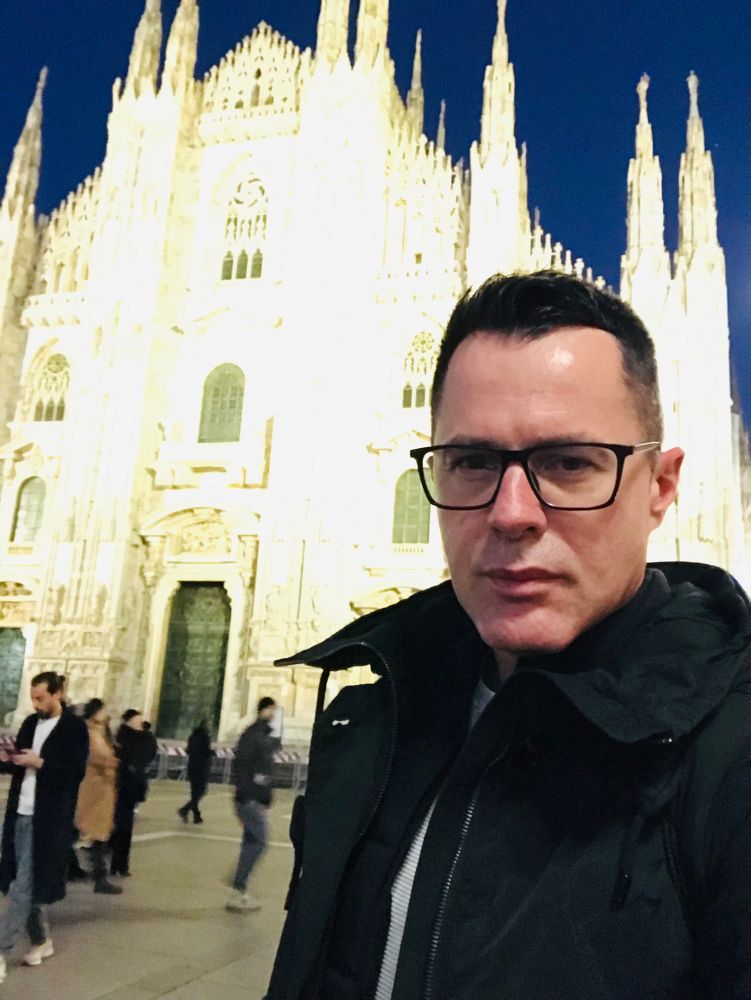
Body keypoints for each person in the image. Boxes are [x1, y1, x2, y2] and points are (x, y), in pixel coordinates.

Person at [265, 271, 751, 1000]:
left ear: (660, 487)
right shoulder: (371, 725)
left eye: (569, 463)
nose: (511, 514)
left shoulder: (730, 762)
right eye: (472, 463)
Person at [0, 671, 88, 983]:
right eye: (32, 698)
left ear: (57, 694)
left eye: (40, 698)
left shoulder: (74, 729)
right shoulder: (29, 724)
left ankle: (1, 951)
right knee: (24, 882)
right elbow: (19, 762)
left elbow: (75, 772)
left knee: (23, 884)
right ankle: (40, 940)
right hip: (20, 813)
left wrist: (41, 764)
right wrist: (8, 759)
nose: (35, 704)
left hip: (48, 819)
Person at [226, 697, 280, 912]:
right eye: (272, 710)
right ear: (264, 710)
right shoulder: (253, 735)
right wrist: (247, 794)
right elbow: (242, 765)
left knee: (251, 842)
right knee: (259, 841)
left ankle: (237, 891)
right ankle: (237, 883)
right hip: (250, 799)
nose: (274, 714)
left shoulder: (261, 735)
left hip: (254, 797)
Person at [75, 699, 122, 895]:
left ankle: (99, 876)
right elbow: (98, 756)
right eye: (104, 710)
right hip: (94, 791)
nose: (107, 713)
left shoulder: (101, 731)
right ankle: (99, 878)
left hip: (101, 790)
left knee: (96, 836)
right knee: (92, 833)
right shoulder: (90, 732)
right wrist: (113, 761)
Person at [109, 709, 158, 877]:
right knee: (119, 825)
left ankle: (120, 864)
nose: (140, 721)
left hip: (130, 787)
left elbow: (147, 755)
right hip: (121, 785)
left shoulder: (143, 738)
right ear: (129, 721)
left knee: (124, 826)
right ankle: (116, 863)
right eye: (137, 719)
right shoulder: (123, 736)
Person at [178, 720, 213, 825]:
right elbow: (206, 752)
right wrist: (213, 752)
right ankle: (185, 809)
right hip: (202, 767)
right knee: (201, 791)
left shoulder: (192, 736)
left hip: (192, 766)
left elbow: (189, 750)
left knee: (194, 793)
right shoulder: (205, 737)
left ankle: (196, 816)